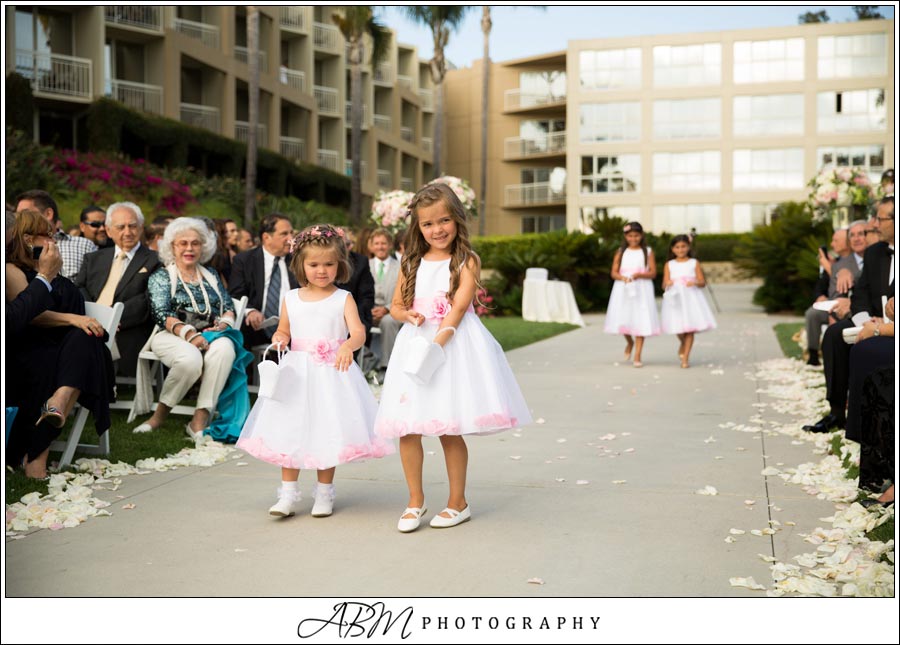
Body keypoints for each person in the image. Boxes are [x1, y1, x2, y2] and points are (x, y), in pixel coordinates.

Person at [374, 183, 532, 532]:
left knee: (448, 426)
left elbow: (459, 308)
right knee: (409, 427)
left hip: (452, 345)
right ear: (418, 227)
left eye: (444, 220)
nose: (437, 229)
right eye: (428, 224)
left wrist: (438, 344)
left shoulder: (465, 260)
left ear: (457, 219)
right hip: (416, 345)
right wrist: (408, 317)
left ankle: (458, 502)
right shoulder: (411, 261)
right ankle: (415, 501)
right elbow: (398, 306)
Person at [237, 224, 393, 518]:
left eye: (329, 264)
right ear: (301, 265)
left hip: (330, 374)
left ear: (339, 265)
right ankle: (287, 494)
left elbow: (358, 332)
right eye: (314, 264)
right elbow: (284, 330)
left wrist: (348, 346)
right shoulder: (291, 298)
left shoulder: (342, 298)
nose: (322, 270)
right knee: (289, 429)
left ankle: (324, 494)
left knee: (326, 430)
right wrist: (280, 338)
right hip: (297, 374)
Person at [5, 209, 114, 479]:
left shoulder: (53, 270)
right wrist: (73, 318)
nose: (55, 240)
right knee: (86, 344)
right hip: (32, 348)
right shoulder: (12, 270)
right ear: (30, 239)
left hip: (67, 349)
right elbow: (28, 315)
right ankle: (38, 450)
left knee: (86, 339)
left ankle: (56, 405)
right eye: (49, 234)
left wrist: (78, 323)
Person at [132, 218, 251, 443]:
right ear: (172, 246)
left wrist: (224, 324)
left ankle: (199, 419)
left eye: (195, 243)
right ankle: (159, 417)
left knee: (225, 347)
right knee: (190, 360)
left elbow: (227, 306)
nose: (189, 248)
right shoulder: (162, 276)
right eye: (183, 243)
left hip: (209, 335)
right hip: (170, 335)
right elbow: (160, 312)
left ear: (203, 246)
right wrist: (190, 335)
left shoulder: (211, 275)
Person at [804, 196, 894, 434]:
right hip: (867, 320)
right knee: (834, 335)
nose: (874, 224)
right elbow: (861, 294)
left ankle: (865, 419)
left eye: (880, 219)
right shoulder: (875, 253)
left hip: (890, 328)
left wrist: (881, 325)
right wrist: (865, 322)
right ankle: (836, 412)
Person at [74, 202, 161, 377]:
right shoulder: (93, 258)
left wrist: (112, 320)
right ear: (108, 230)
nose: (127, 232)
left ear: (141, 228)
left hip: (127, 330)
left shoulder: (155, 260)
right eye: (121, 227)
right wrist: (91, 316)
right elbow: (78, 288)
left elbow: (149, 298)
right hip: (88, 325)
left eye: (133, 226)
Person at [229, 213, 299, 350]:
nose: (291, 238)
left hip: (293, 329)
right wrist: (250, 311)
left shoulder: (298, 260)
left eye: (291, 233)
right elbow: (235, 293)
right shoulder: (244, 260)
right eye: (284, 234)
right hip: (255, 328)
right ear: (266, 237)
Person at [803, 221, 867, 365]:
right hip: (844, 309)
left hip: (868, 309)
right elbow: (832, 291)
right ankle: (813, 353)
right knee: (814, 315)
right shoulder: (840, 264)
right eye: (853, 235)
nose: (857, 239)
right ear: (849, 241)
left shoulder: (877, 257)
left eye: (861, 234)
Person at [604, 222, 660, 367]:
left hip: (642, 288)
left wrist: (640, 275)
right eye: (630, 236)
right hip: (624, 288)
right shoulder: (621, 252)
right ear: (625, 236)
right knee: (624, 317)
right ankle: (629, 342)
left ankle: (637, 356)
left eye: (636, 236)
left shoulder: (647, 252)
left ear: (641, 236)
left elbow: (653, 272)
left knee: (640, 319)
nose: (633, 239)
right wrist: (624, 278)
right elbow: (614, 272)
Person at [659, 234, 716, 368]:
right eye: (677, 247)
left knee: (689, 328)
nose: (680, 250)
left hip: (691, 298)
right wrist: (668, 282)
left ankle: (686, 358)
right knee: (678, 327)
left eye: (683, 246)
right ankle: (683, 343)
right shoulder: (669, 264)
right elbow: (663, 284)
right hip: (676, 299)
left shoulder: (693, 263)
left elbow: (703, 282)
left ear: (688, 247)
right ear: (672, 249)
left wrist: (695, 282)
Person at [15, 189, 97, 279]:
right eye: (17, 214)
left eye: (26, 213)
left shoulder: (84, 244)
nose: (18, 218)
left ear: (48, 214)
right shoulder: (14, 249)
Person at [368, 228, 403, 371]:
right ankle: (360, 363)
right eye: (376, 243)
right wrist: (367, 309)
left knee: (388, 322)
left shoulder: (400, 267)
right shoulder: (365, 265)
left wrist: (387, 308)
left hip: (391, 311)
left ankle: (387, 367)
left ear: (390, 245)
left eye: (384, 243)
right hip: (368, 310)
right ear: (371, 246)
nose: (380, 247)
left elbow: (403, 293)